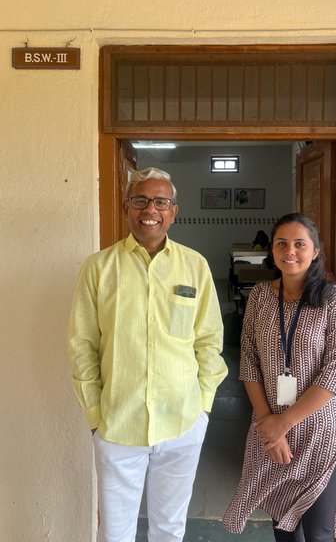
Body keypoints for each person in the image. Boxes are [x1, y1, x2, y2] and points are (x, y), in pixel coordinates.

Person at [68, 167, 228, 542]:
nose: (150, 209)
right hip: (118, 423)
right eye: (140, 200)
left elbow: (209, 342)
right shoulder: (98, 268)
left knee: (169, 528)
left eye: (160, 201)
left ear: (174, 211)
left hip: (183, 422)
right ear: (126, 208)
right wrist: (95, 415)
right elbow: (82, 346)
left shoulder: (195, 266)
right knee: (115, 531)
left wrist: (203, 408)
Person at [223, 213, 336, 542]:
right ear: (272, 251)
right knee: (284, 527)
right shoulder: (260, 297)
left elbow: (335, 374)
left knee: (320, 532)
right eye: (281, 243)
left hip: (318, 432)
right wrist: (269, 423)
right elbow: (249, 361)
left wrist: (284, 423)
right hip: (269, 428)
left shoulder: (334, 301)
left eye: (299, 244)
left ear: (315, 252)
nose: (290, 251)